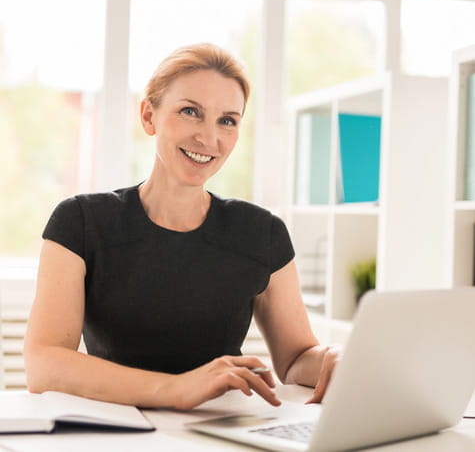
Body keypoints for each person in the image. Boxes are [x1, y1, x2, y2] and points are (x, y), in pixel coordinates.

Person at [24, 43, 340, 410]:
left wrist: (333, 359)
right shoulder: (81, 222)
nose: (209, 138)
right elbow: (43, 364)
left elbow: (296, 359)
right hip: (117, 434)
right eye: (190, 112)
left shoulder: (262, 233)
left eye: (228, 120)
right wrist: (175, 389)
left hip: (220, 433)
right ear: (148, 116)